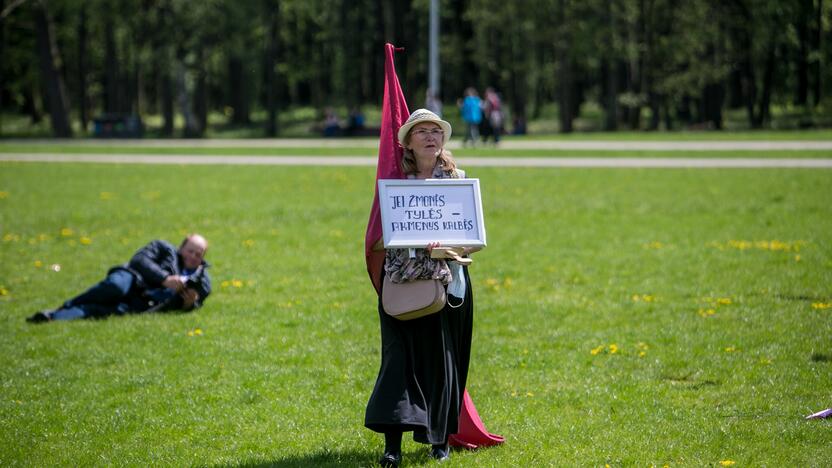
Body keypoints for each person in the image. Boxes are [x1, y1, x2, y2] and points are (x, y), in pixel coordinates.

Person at [365, 109, 481, 467]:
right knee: (399, 362)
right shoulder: (394, 184)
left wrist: (447, 247)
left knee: (442, 364)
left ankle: (439, 440)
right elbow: (378, 240)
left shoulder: (457, 180)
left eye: (436, 131)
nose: (431, 137)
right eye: (422, 132)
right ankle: (392, 447)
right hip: (402, 283)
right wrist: (407, 240)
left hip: (448, 286)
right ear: (408, 142)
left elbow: (473, 241)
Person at [26, 234, 211, 322]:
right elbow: (139, 260)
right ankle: (67, 304)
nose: (193, 256)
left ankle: (52, 316)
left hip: (142, 302)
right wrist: (165, 279)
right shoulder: (163, 248)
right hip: (131, 278)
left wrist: (189, 305)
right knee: (115, 288)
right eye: (190, 250)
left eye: (199, 254)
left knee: (100, 311)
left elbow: (194, 303)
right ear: (181, 248)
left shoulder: (201, 280)